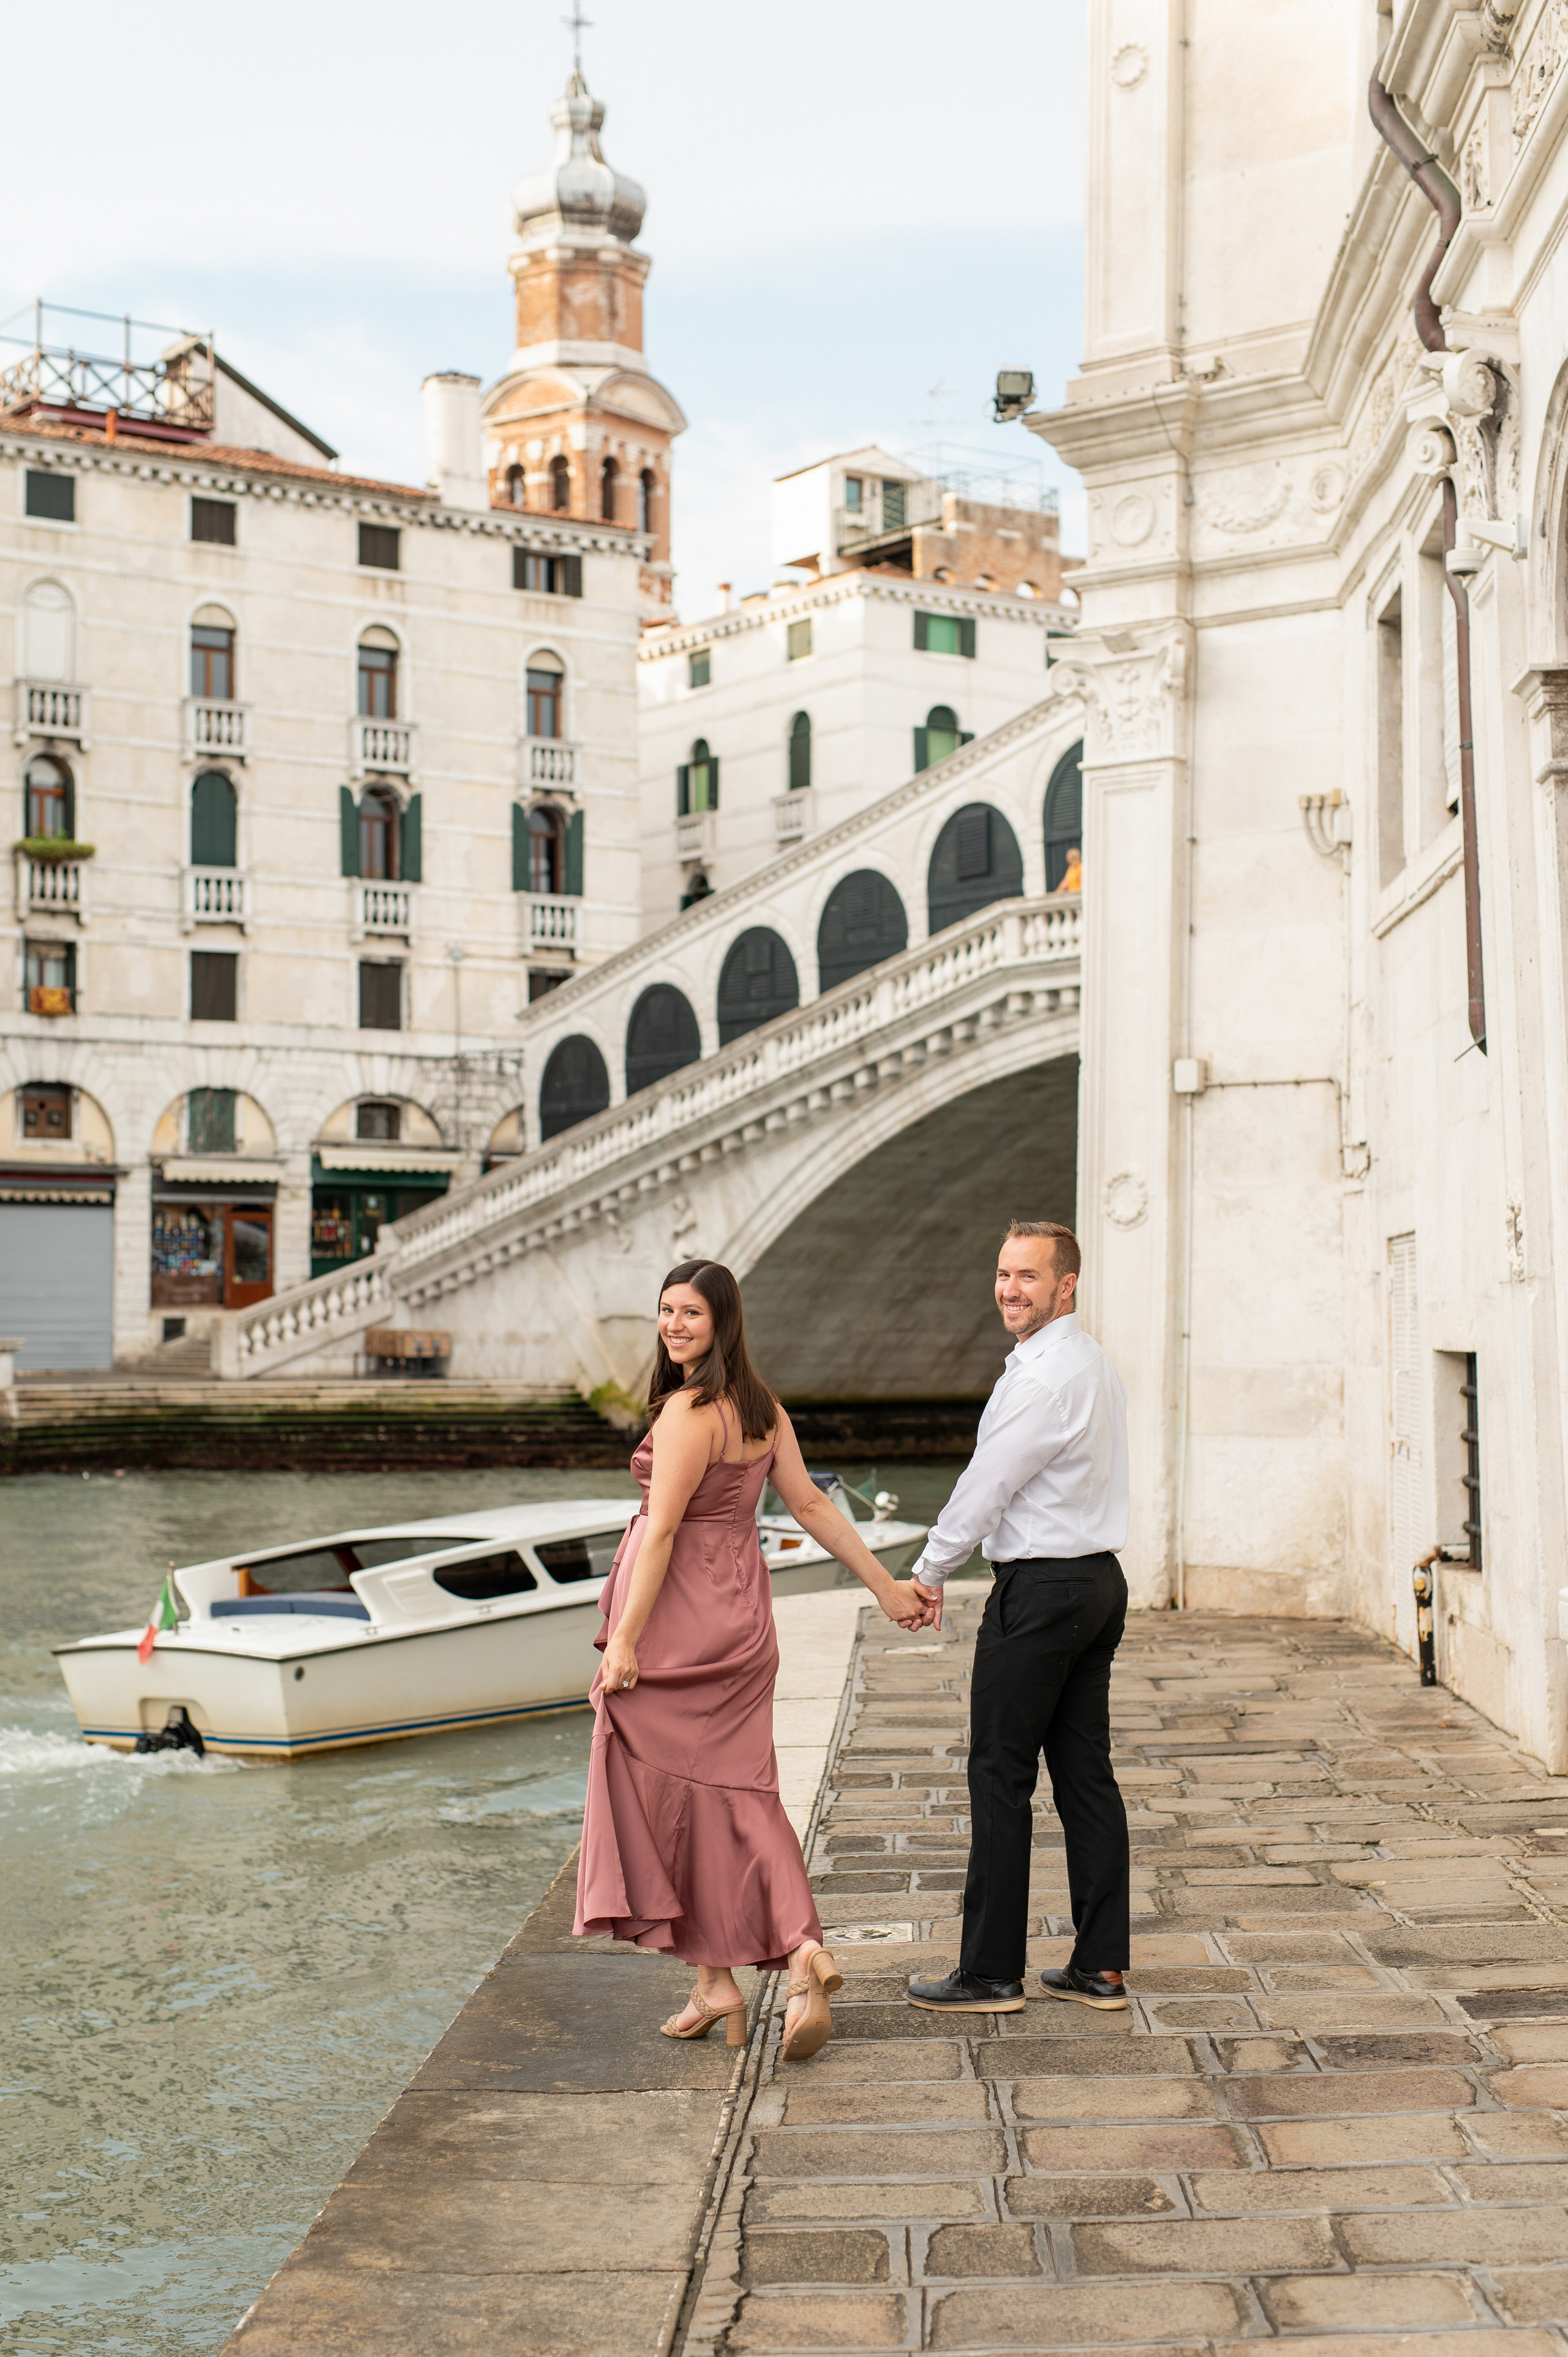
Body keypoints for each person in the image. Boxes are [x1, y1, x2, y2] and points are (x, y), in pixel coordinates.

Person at [575, 1257, 936, 2060]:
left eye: (691, 1314)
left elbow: (663, 1530)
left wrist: (626, 1641)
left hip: (677, 1621)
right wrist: (886, 1587)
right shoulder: (762, 1409)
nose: (673, 1325)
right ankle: (735, 1978)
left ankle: (781, 1954)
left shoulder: (686, 1414)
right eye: (666, 1311)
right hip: (742, 1618)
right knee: (738, 1792)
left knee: (655, 1781)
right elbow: (807, 1503)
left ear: (722, 1323)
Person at [905, 1220, 1131, 2016]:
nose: (1009, 1289)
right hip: (1097, 1584)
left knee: (999, 1776)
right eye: (1003, 1274)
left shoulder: (1043, 1378)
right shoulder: (1090, 1363)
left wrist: (930, 1571)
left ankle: (989, 1972)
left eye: (1027, 1277)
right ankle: (1099, 1966)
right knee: (1084, 1776)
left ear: (1066, 1285)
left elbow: (984, 1487)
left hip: (1041, 1592)